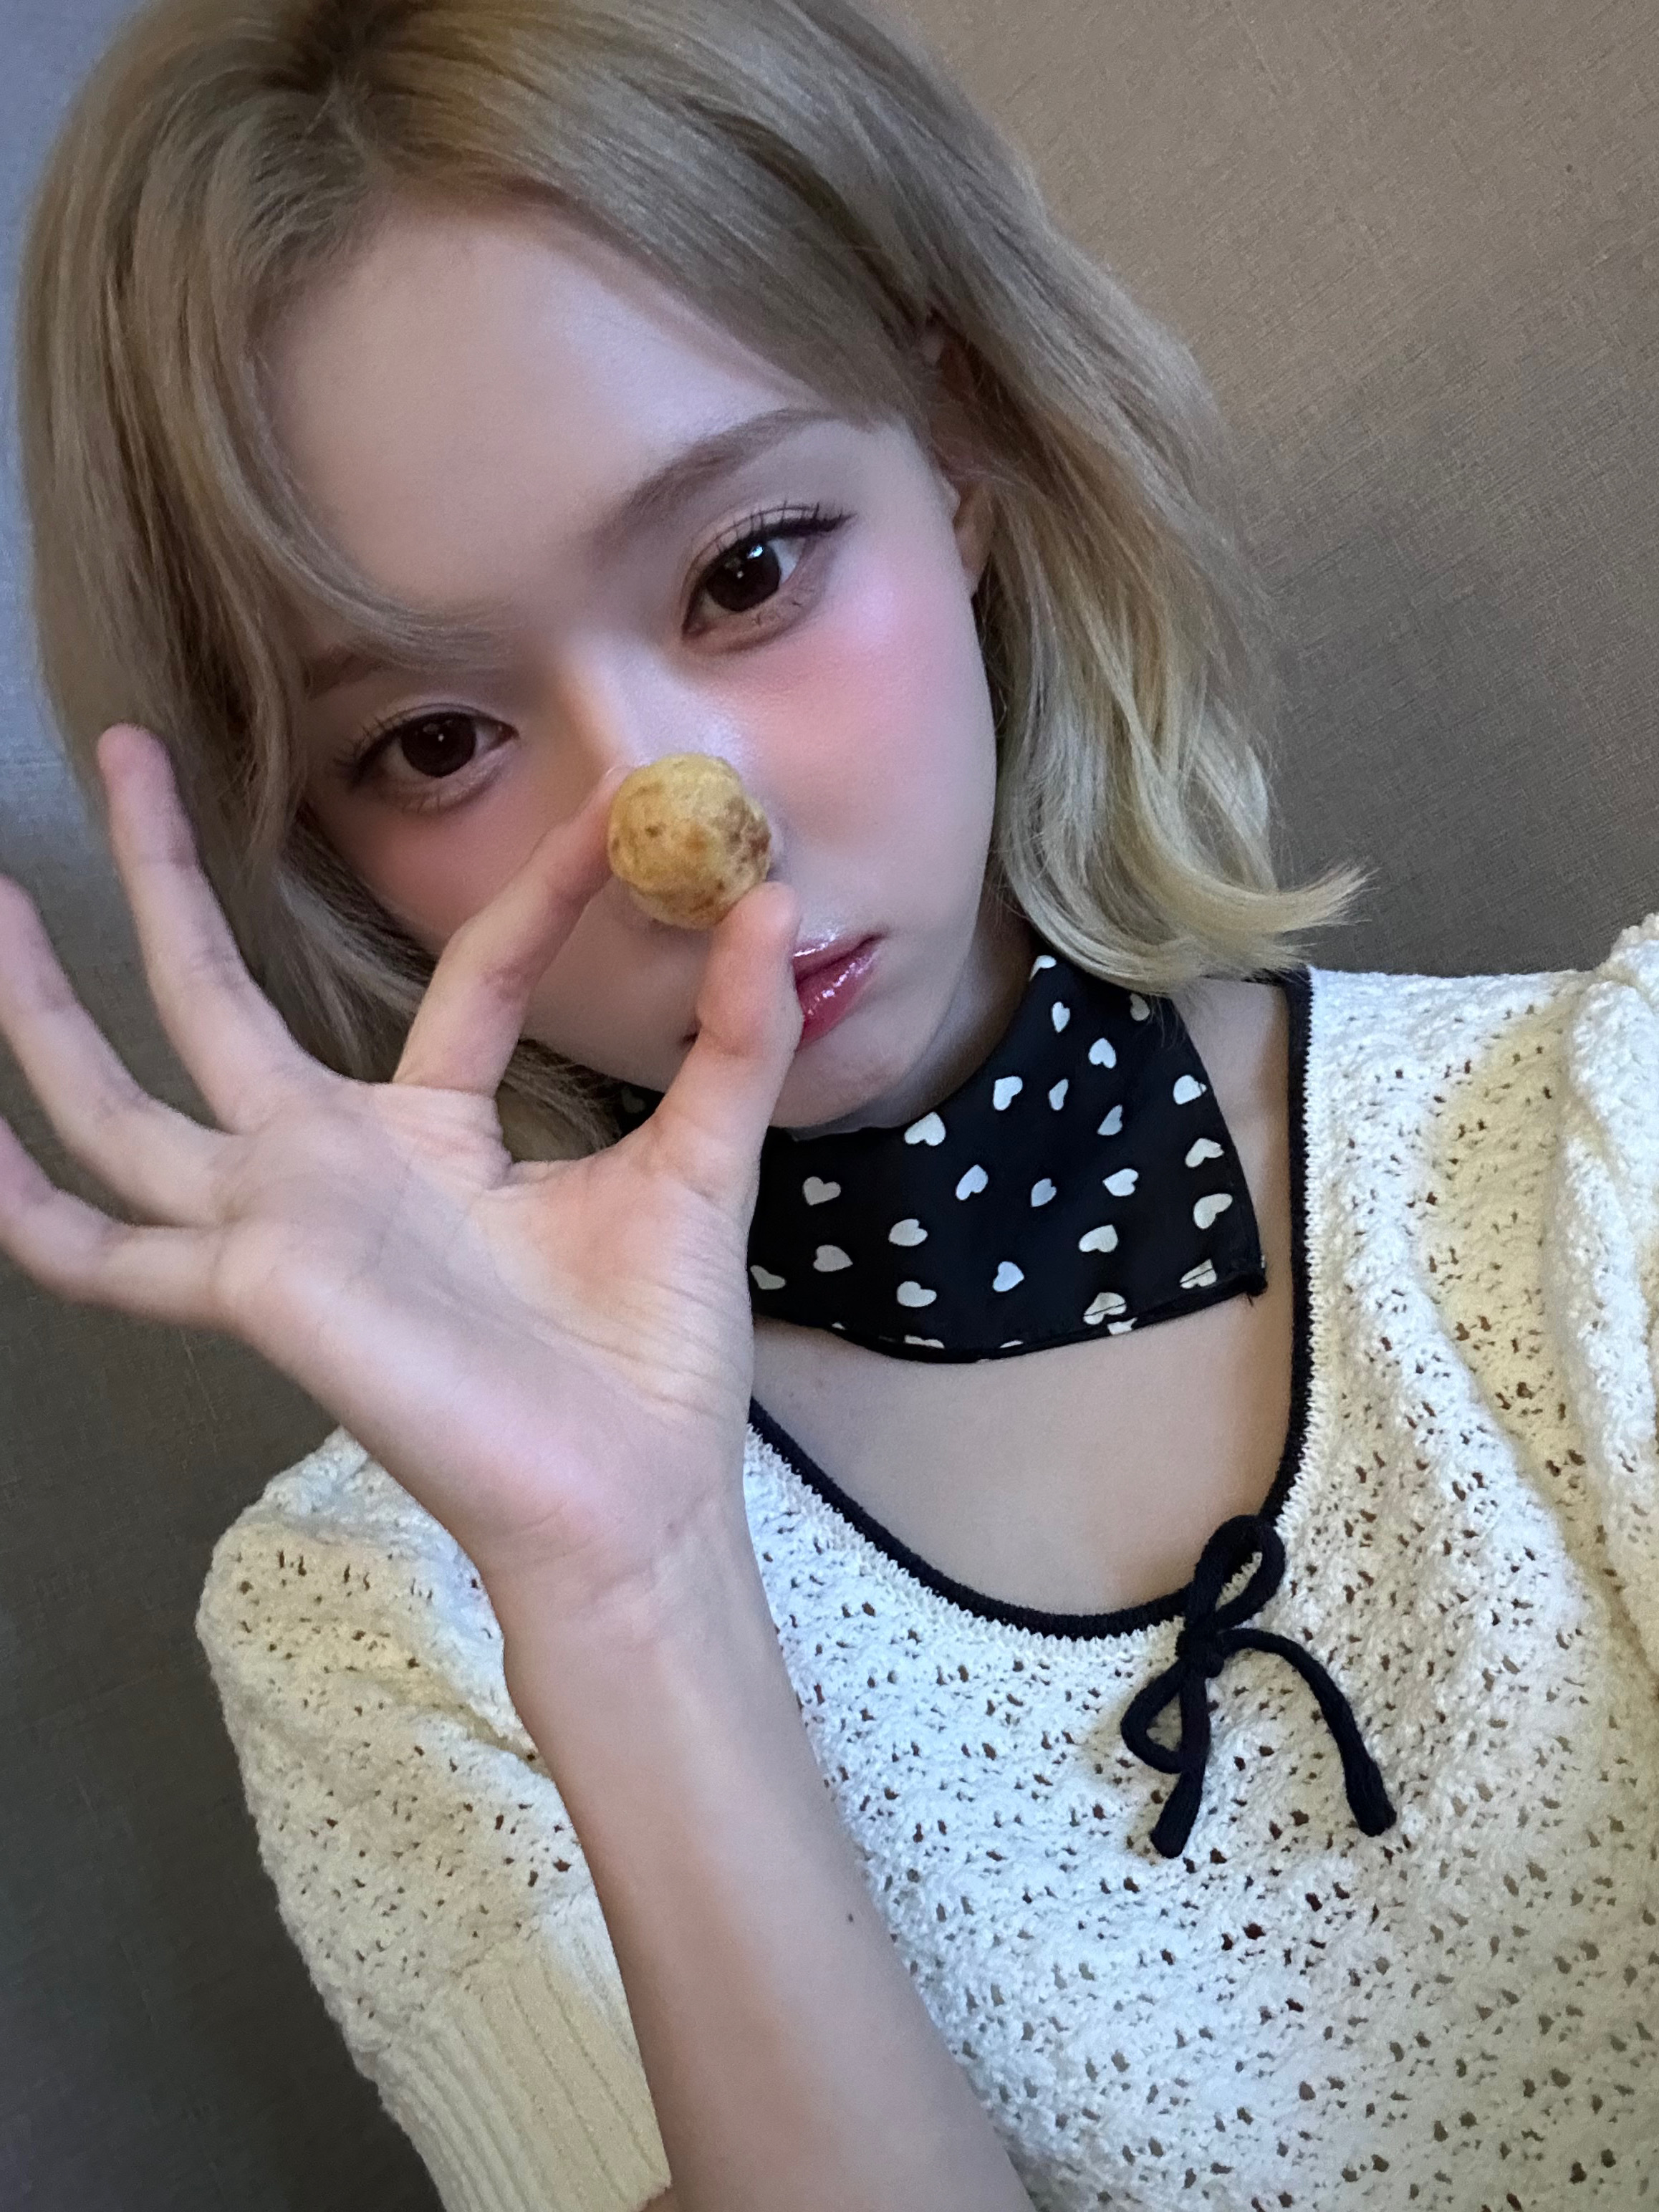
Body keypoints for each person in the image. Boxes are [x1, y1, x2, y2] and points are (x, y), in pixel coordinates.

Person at [2, 0, 1655, 2206]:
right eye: (434, 741)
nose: (684, 833)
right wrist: (625, 1595)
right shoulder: (378, 1617)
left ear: (957, 453)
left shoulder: (1611, 1148)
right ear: (323, 846)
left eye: (748, 566)